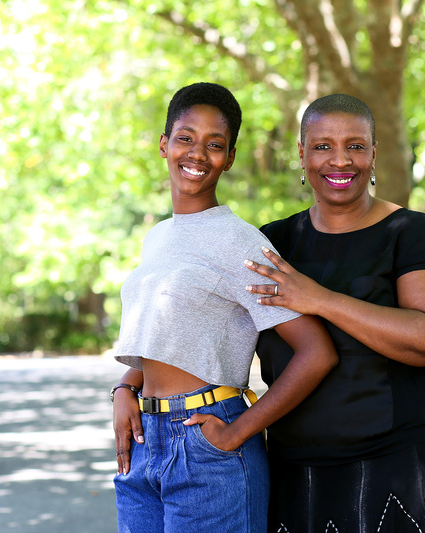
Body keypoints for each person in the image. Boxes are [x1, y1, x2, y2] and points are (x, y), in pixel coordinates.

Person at [110, 82, 338, 533]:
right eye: (186, 138)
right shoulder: (158, 236)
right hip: (144, 444)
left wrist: (237, 433)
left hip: (208, 445)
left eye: (215, 145)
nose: (197, 154)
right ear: (164, 144)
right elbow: (164, 333)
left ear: (229, 158)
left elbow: (317, 353)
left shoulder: (241, 241)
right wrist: (124, 387)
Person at [244, 93, 425, 532]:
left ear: (373, 153)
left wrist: (321, 299)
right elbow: (217, 331)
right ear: (302, 153)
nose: (340, 161)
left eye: (355, 145)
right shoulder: (271, 243)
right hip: (297, 470)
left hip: (403, 463)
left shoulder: (410, 231)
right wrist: (129, 383)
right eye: (323, 146)